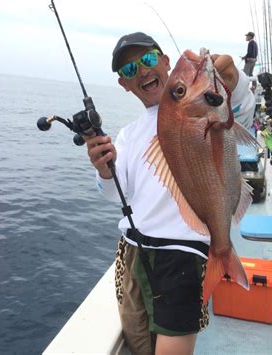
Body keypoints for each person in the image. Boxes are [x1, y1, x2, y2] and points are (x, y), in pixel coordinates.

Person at [86, 32, 255, 355]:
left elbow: (243, 110)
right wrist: (105, 171)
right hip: (133, 252)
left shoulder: (212, 109)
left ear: (165, 61)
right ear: (123, 84)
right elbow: (116, 193)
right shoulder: (129, 134)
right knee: (138, 345)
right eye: (129, 70)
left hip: (183, 254)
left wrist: (234, 81)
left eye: (148, 60)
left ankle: (223, 255)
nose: (143, 71)